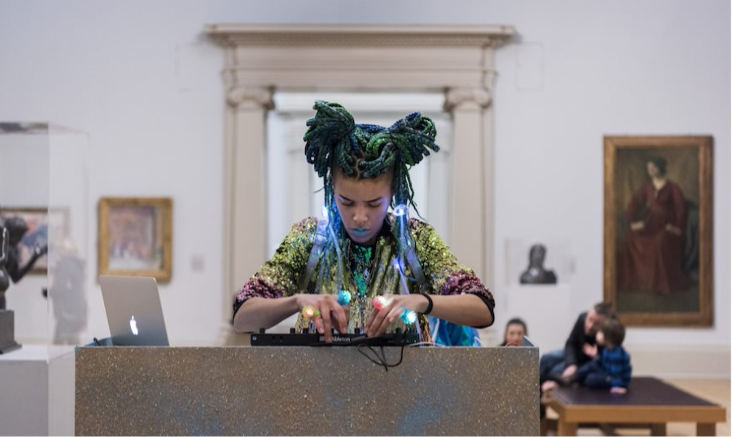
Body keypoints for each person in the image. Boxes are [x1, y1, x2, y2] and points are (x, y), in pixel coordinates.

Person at [232, 101, 495, 343]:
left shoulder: (416, 239)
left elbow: (482, 309)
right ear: (331, 189)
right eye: (346, 202)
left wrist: (421, 301)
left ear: (393, 193)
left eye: (373, 204)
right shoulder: (310, 237)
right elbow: (243, 317)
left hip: (407, 379)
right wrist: (298, 301)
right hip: (316, 379)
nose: (359, 217)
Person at [619, 157, 691, 293]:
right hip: (650, 222)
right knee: (629, 239)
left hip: (667, 224)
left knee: (660, 241)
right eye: (648, 168)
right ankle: (640, 280)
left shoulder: (673, 187)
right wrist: (631, 220)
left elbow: (681, 208)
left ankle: (659, 282)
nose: (650, 170)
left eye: (653, 168)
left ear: (660, 168)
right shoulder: (647, 187)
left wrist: (677, 227)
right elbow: (634, 202)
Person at [540, 302, 614, 392]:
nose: (590, 326)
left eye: (596, 323)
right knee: (546, 359)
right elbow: (571, 342)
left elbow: (604, 365)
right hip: (575, 354)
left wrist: (597, 356)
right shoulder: (582, 318)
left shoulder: (608, 336)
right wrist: (571, 364)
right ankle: (537, 392)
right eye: (590, 319)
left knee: (555, 372)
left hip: (587, 364)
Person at [573, 316, 632, 394]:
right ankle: (573, 378)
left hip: (613, 379)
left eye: (600, 332)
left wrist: (618, 387)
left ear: (608, 337)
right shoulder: (607, 349)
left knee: (590, 379)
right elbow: (601, 362)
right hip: (607, 371)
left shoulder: (617, 355)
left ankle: (579, 380)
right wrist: (595, 358)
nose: (597, 334)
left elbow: (617, 375)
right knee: (589, 366)